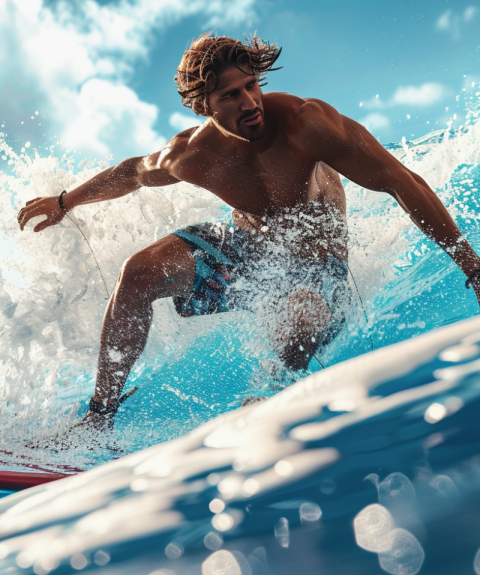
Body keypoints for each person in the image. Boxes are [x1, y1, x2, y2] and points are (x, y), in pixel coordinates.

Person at [18, 34, 480, 428]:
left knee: (300, 315)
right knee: (137, 272)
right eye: (230, 96)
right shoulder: (191, 155)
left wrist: (473, 269)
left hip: (320, 271)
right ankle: (98, 417)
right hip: (246, 254)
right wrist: (64, 201)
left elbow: (401, 182)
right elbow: (134, 171)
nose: (250, 103)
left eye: (251, 85)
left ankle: (262, 408)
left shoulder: (307, 123)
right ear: (203, 106)